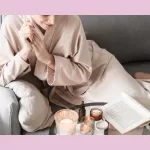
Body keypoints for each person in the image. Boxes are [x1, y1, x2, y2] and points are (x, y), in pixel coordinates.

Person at [0, 15, 150, 135]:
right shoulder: (11, 24)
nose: (52, 20)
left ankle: (139, 80)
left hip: (96, 70)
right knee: (110, 122)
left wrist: (49, 59)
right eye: (45, 14)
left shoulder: (71, 19)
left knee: (140, 108)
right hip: (63, 88)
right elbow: (2, 76)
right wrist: (24, 53)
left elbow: (84, 71)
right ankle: (135, 79)